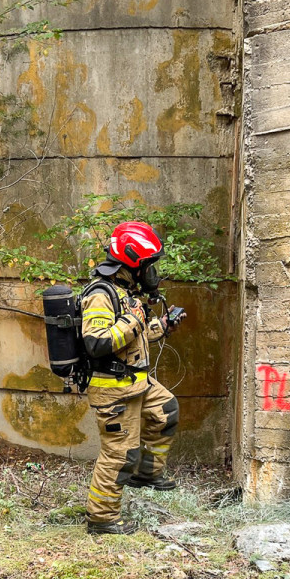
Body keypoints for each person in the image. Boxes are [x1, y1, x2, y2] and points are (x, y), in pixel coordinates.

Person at [81, 221, 183, 535]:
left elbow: (131, 340)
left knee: (165, 411)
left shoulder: (125, 293)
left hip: (134, 380)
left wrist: (162, 325)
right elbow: (96, 343)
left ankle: (148, 474)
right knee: (119, 453)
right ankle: (101, 518)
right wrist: (132, 318)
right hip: (114, 388)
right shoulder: (101, 294)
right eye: (150, 266)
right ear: (132, 264)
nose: (154, 273)